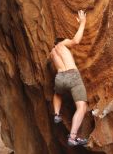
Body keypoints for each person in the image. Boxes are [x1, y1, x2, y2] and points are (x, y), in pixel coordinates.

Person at [49, 10, 88, 146]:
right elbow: (75, 41)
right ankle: (72, 137)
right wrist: (82, 23)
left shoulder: (52, 53)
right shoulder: (62, 43)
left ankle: (56, 114)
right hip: (72, 76)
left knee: (58, 92)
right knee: (82, 107)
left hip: (60, 78)